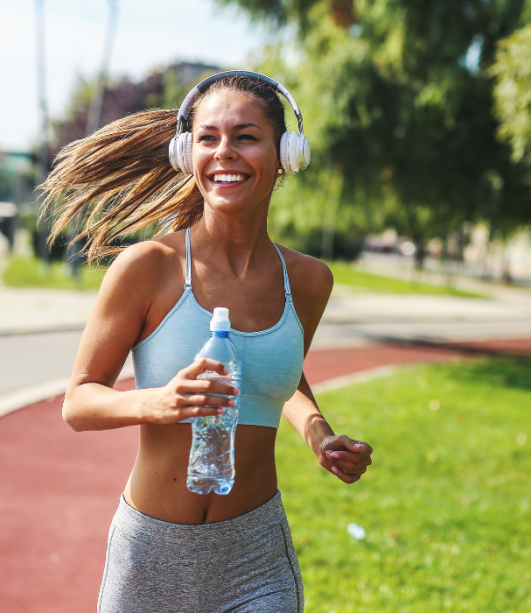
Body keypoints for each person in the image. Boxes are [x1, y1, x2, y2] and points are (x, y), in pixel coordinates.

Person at [40, 71, 373, 612]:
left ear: (287, 152)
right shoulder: (148, 268)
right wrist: (159, 401)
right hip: (150, 556)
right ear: (185, 153)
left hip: (254, 560)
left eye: (246, 136)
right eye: (208, 138)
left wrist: (319, 433)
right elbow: (79, 403)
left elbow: (281, 375)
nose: (225, 153)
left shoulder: (309, 281)